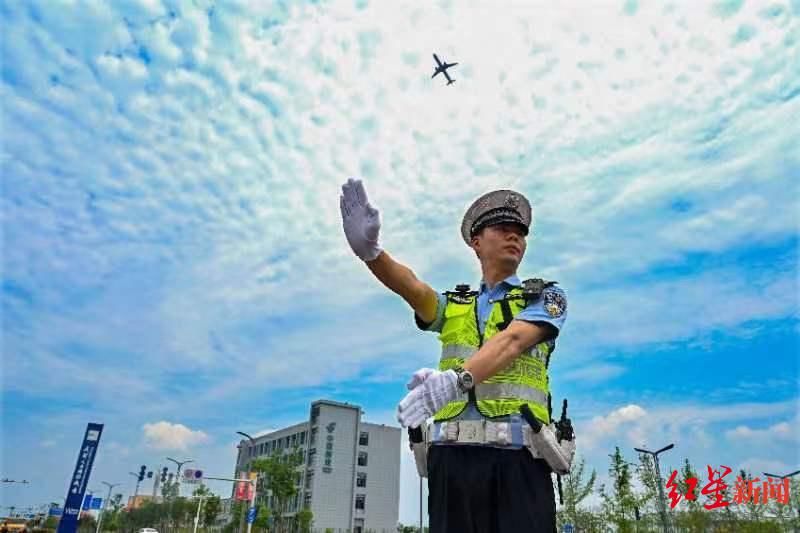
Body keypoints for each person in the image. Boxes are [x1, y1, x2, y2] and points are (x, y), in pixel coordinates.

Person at [339, 178, 569, 532]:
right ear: (477, 243)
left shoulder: (544, 297)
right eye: (503, 228)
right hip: (451, 463)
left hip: (520, 462)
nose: (515, 237)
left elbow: (513, 341)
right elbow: (412, 287)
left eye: (520, 233)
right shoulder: (455, 305)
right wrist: (372, 254)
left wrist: (454, 381)